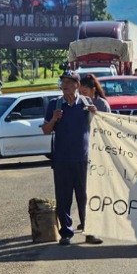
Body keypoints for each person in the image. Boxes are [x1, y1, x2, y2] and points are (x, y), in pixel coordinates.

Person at [42, 71, 99, 246]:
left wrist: (95, 114)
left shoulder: (86, 103)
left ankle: (90, 231)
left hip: (82, 158)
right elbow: (46, 130)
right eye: (63, 82)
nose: (64, 85)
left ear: (77, 85)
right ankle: (66, 233)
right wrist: (54, 119)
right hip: (62, 159)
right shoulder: (55, 104)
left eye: (69, 82)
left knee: (85, 197)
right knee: (64, 198)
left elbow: (97, 127)